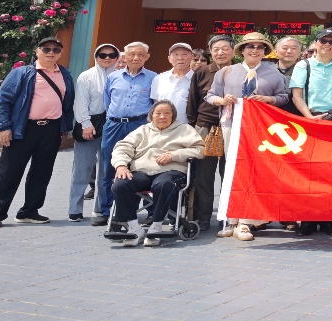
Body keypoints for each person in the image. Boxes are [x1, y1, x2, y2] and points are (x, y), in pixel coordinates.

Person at [0, 36, 76, 229]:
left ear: (60, 53)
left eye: (56, 50)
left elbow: (68, 104)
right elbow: (3, 100)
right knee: (9, 172)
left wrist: (65, 127)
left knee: (42, 173)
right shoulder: (22, 73)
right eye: (46, 49)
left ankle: (29, 211)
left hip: (51, 129)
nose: (51, 52)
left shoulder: (64, 74)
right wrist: (3, 127)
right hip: (23, 129)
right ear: (37, 51)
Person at [208, 32, 290, 239]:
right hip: (231, 126)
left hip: (259, 128)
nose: (255, 50)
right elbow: (210, 96)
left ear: (265, 51)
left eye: (260, 47)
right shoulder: (226, 72)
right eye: (250, 46)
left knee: (254, 171)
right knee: (232, 170)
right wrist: (222, 101)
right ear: (242, 50)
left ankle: (247, 220)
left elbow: (283, 97)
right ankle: (230, 219)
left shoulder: (273, 74)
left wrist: (269, 99)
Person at [109, 100, 205, 247]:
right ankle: (134, 228)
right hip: (142, 171)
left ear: (173, 116)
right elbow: (122, 147)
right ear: (151, 115)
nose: (162, 116)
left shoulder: (184, 129)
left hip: (171, 171)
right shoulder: (143, 130)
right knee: (120, 183)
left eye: (167, 113)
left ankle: (156, 226)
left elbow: (200, 149)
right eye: (158, 113)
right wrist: (121, 165)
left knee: (163, 184)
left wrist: (174, 155)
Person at [290, 28, 332, 236]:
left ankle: (329, 220)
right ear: (316, 43)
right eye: (323, 41)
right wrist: (309, 117)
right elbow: (297, 96)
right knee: (309, 173)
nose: (328, 45)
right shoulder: (303, 65)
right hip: (310, 121)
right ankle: (307, 220)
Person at [97, 42, 157, 220]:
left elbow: (155, 104)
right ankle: (107, 211)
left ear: (147, 57)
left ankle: (144, 211)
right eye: (132, 54)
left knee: (141, 168)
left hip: (139, 125)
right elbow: (107, 101)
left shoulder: (154, 78)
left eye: (140, 54)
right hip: (114, 125)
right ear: (125, 57)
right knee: (110, 167)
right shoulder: (113, 77)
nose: (136, 58)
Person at [186, 34, 235, 233]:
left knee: (229, 174)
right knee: (203, 175)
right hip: (205, 127)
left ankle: (227, 216)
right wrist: (193, 127)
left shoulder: (239, 71)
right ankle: (203, 216)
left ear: (233, 51)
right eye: (216, 49)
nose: (220, 53)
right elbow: (192, 100)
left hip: (232, 128)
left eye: (225, 48)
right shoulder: (202, 72)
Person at [69, 43, 116, 223]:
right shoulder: (86, 76)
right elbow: (80, 103)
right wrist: (86, 124)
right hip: (89, 125)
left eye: (111, 55)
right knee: (81, 169)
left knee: (107, 171)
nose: (107, 58)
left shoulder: (120, 75)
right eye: (102, 55)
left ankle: (101, 208)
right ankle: (75, 209)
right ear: (96, 57)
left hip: (111, 127)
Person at [151, 43, 195, 124]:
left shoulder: (197, 79)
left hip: (187, 127)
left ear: (192, 57)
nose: (180, 58)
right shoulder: (159, 79)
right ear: (169, 58)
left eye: (184, 54)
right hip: (162, 126)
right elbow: (155, 104)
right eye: (176, 54)